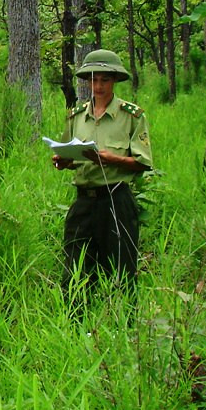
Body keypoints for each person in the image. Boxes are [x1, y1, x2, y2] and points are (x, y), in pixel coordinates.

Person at [50, 49, 153, 296]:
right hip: (84, 200)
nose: (98, 86)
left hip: (116, 199)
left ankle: (124, 324)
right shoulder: (77, 116)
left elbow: (143, 162)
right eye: (94, 80)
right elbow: (70, 155)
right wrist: (63, 162)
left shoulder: (131, 116)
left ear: (114, 80)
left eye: (104, 80)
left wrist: (111, 159)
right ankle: (75, 325)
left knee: (121, 268)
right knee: (75, 268)